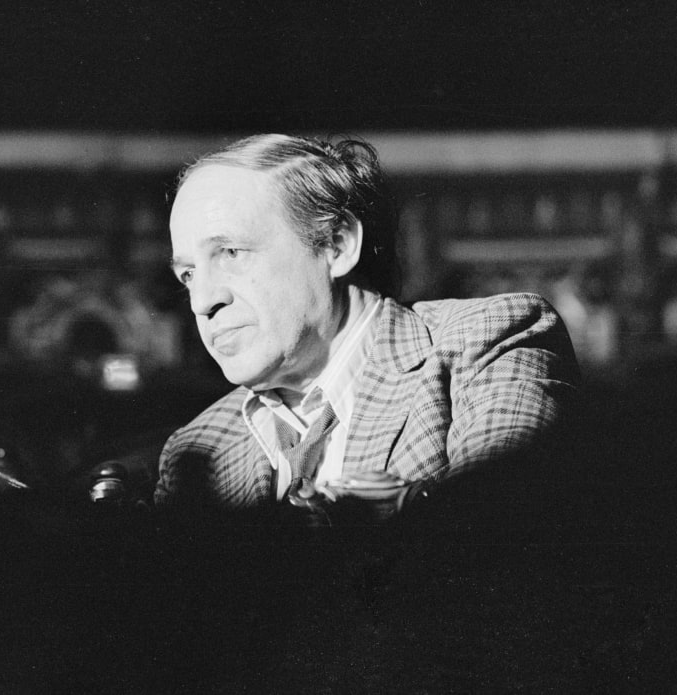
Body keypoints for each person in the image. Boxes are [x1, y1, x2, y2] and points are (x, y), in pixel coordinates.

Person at [155, 134, 578, 516]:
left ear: (338, 246)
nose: (201, 301)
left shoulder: (489, 342)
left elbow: (497, 534)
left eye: (230, 252)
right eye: (187, 274)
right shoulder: (196, 445)